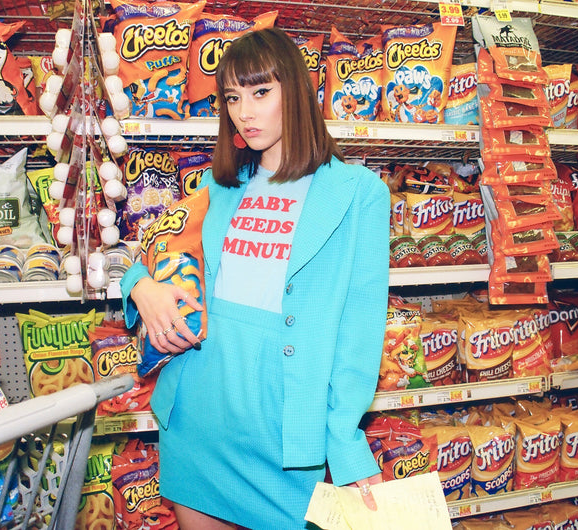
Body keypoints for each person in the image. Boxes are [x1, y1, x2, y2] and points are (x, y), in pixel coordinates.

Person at [120, 27, 390, 529]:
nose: (244, 112)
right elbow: (142, 254)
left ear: (297, 89)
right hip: (201, 421)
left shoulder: (359, 194)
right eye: (233, 97)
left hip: (287, 438)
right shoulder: (216, 187)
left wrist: (349, 452)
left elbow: (358, 334)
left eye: (261, 92)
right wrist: (142, 288)